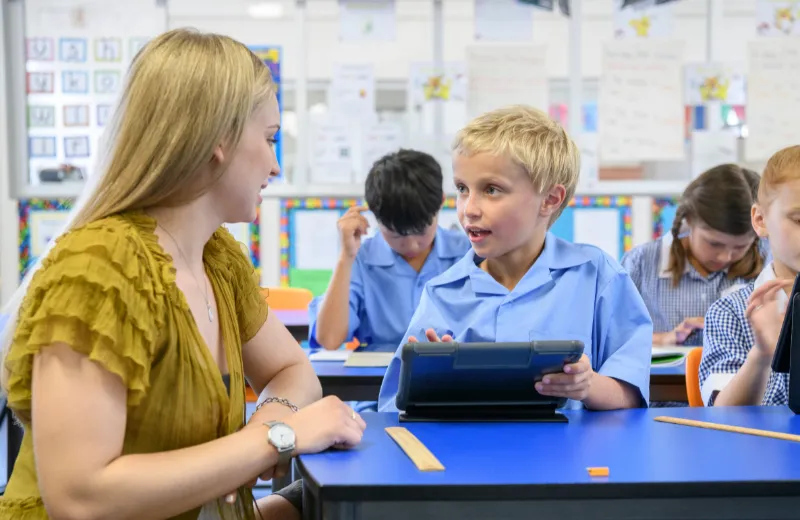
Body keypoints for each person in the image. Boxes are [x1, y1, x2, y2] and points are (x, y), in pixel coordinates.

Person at [0, 29, 365, 520]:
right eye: (270, 138)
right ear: (219, 140)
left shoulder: (217, 257)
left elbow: (293, 371)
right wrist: (279, 440)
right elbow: (80, 498)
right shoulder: (99, 270)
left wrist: (266, 433)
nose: (275, 165)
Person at [377, 105, 653, 413]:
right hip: (471, 457)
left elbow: (630, 393)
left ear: (549, 200)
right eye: (462, 189)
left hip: (572, 458)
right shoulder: (442, 294)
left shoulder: (597, 276)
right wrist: (431, 385)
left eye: (491, 190)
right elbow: (395, 409)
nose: (469, 208)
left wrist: (588, 386)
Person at [309, 149, 470, 350]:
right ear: (374, 215)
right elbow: (329, 340)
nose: (412, 245)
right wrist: (346, 257)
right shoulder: (362, 259)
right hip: (376, 378)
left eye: (421, 232)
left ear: (440, 203)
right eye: (396, 236)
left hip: (452, 376)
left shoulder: (468, 254)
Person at [700, 145, 800, 407]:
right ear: (760, 220)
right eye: (799, 220)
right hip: (760, 447)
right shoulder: (730, 312)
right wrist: (762, 355)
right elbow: (723, 414)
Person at [621, 165, 763, 346]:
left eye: (740, 246)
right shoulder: (640, 263)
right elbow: (611, 336)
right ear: (689, 220)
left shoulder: (770, 261)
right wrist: (664, 339)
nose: (725, 257)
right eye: (714, 243)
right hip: (664, 375)